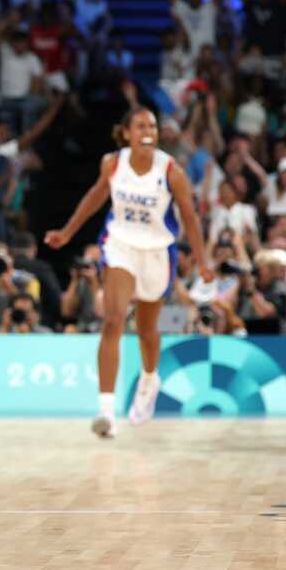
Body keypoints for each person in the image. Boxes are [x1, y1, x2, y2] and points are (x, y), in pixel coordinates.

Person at [45, 107, 212, 438]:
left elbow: (190, 218)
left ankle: (150, 379)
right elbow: (96, 196)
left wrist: (203, 260)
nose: (148, 131)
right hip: (120, 244)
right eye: (140, 126)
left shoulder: (170, 170)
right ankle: (106, 410)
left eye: (152, 126)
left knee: (147, 329)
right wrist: (67, 232)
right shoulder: (113, 163)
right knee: (113, 320)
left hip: (157, 250)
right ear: (126, 133)